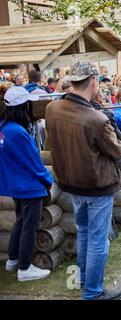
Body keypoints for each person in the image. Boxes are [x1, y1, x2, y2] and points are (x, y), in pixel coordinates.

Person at [45, 61, 121, 300]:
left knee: (85, 233)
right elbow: (117, 152)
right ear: (93, 82)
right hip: (97, 187)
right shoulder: (97, 119)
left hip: (72, 184)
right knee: (98, 239)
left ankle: (83, 280)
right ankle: (92, 292)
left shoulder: (52, 108)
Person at [0, 86, 53, 281]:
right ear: (24, 106)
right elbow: (34, 162)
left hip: (17, 185)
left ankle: (12, 260)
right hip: (29, 186)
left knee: (20, 222)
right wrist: (48, 180)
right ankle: (24, 268)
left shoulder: (4, 127)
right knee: (29, 226)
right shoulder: (17, 132)